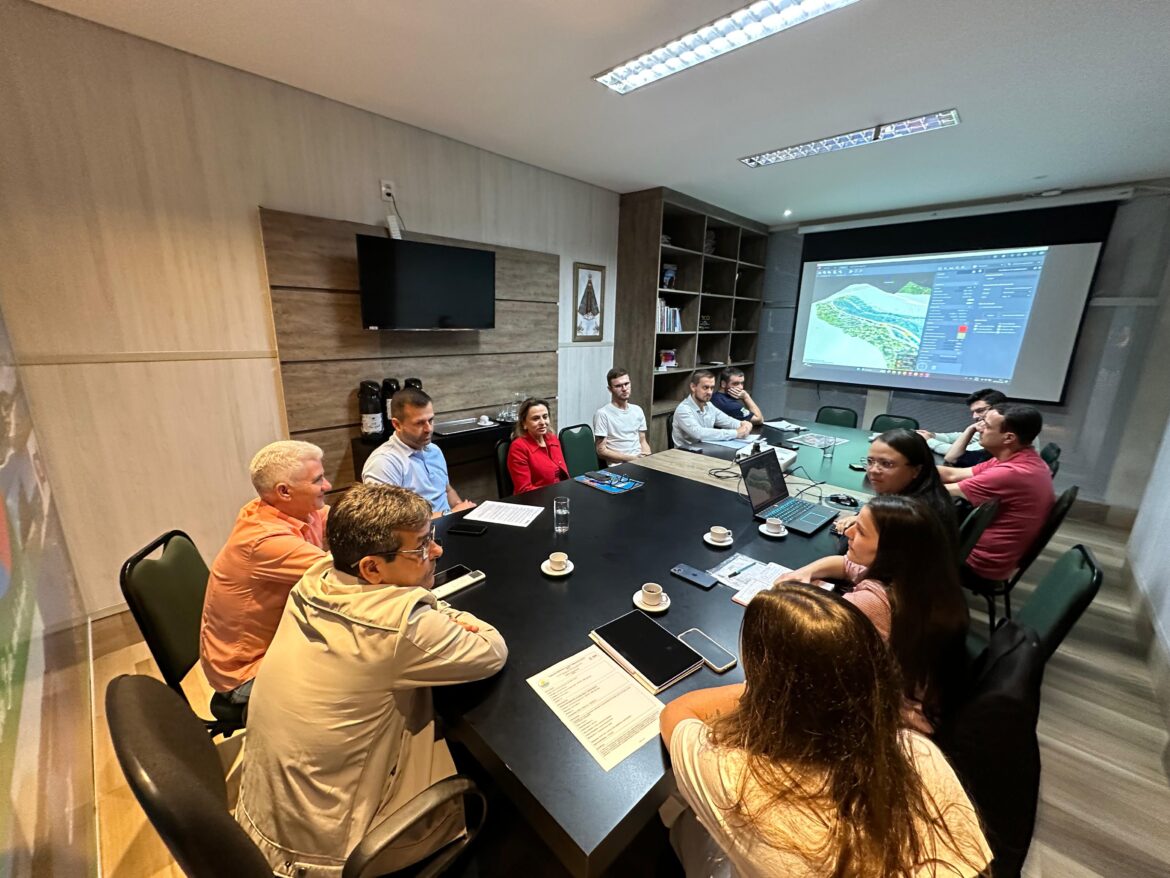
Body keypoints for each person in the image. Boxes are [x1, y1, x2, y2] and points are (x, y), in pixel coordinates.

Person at [235, 483, 508, 877]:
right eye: (421, 546)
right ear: (372, 569)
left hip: (269, 821)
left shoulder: (314, 581)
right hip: (337, 853)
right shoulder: (397, 628)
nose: (436, 551)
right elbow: (491, 650)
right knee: (497, 794)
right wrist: (439, 612)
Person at [660, 583, 991, 878]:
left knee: (680, 807)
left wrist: (768, 690)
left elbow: (677, 713)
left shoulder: (735, 777)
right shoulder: (919, 752)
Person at [779, 495, 970, 735]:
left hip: (892, 724)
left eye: (860, 531)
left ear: (890, 549)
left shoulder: (872, 603)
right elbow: (846, 565)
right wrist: (806, 572)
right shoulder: (919, 579)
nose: (848, 532)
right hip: (929, 706)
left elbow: (812, 647)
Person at [200, 440, 331, 704]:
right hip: (246, 673)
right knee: (355, 673)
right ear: (284, 491)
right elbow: (342, 575)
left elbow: (348, 521)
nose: (327, 485)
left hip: (279, 643)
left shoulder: (293, 510)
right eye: (318, 480)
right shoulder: (264, 540)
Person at [939, 403, 1055, 584]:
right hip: (991, 556)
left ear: (1008, 438)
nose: (980, 429)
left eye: (987, 426)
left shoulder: (1011, 473)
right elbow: (953, 474)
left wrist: (902, 472)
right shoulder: (1019, 458)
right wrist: (911, 465)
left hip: (976, 564)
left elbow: (939, 490)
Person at [835, 429, 959, 552]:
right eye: (870, 461)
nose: (873, 470)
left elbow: (847, 550)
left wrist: (865, 521)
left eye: (887, 464)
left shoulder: (908, 515)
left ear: (916, 470)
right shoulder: (931, 495)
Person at [362, 387, 476, 518]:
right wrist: (451, 513)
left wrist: (461, 510)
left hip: (448, 523)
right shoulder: (383, 463)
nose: (429, 429)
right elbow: (392, 521)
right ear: (397, 425)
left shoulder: (434, 450)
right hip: (421, 530)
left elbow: (447, 490)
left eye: (431, 420)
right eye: (420, 423)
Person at [918, 388, 1006, 466]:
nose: (974, 416)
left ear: (999, 409)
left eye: (980, 410)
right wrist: (931, 435)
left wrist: (929, 441)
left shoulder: (1001, 434)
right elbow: (955, 437)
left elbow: (957, 454)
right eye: (973, 412)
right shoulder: (982, 431)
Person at [673, 370, 752, 451]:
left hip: (706, 449)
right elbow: (699, 433)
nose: (710, 392)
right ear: (693, 387)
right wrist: (736, 433)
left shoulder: (709, 405)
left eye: (712, 388)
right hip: (685, 453)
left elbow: (727, 420)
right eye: (705, 388)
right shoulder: (683, 409)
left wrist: (743, 424)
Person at [507, 397, 569, 493]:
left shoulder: (552, 438)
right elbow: (524, 490)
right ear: (524, 423)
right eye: (536, 418)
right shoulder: (518, 447)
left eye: (545, 417)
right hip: (535, 498)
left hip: (559, 494)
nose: (543, 422)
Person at [593, 367, 651, 463]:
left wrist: (648, 458)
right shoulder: (602, 414)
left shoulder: (638, 410)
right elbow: (601, 451)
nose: (624, 389)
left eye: (626, 384)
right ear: (610, 389)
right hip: (619, 465)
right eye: (618, 386)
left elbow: (642, 441)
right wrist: (632, 459)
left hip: (639, 461)